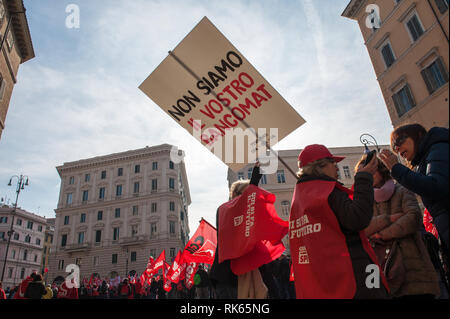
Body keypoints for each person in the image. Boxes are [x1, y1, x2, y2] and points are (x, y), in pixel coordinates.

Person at [289, 144, 389, 299]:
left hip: (329, 280)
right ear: (320, 166)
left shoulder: (300, 199)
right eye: (332, 162)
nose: (337, 167)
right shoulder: (327, 192)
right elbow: (358, 218)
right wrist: (364, 178)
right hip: (356, 274)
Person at [358, 155, 440, 298]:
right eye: (363, 174)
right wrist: (390, 218)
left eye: (371, 171)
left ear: (381, 170)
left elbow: (413, 218)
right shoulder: (365, 202)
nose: (368, 177)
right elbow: (363, 228)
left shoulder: (402, 190)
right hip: (381, 269)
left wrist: (381, 234)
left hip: (413, 270)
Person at [379, 124, 448, 252]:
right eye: (394, 148)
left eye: (399, 141)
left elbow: (435, 186)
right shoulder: (426, 159)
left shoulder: (438, 149)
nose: (398, 148)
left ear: (418, 135)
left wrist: (396, 168)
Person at [210, 163, 266, 299]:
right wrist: (254, 180)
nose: (249, 199)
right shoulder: (224, 209)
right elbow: (240, 206)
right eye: (245, 194)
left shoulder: (247, 212)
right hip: (227, 276)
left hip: (243, 274)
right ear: (235, 194)